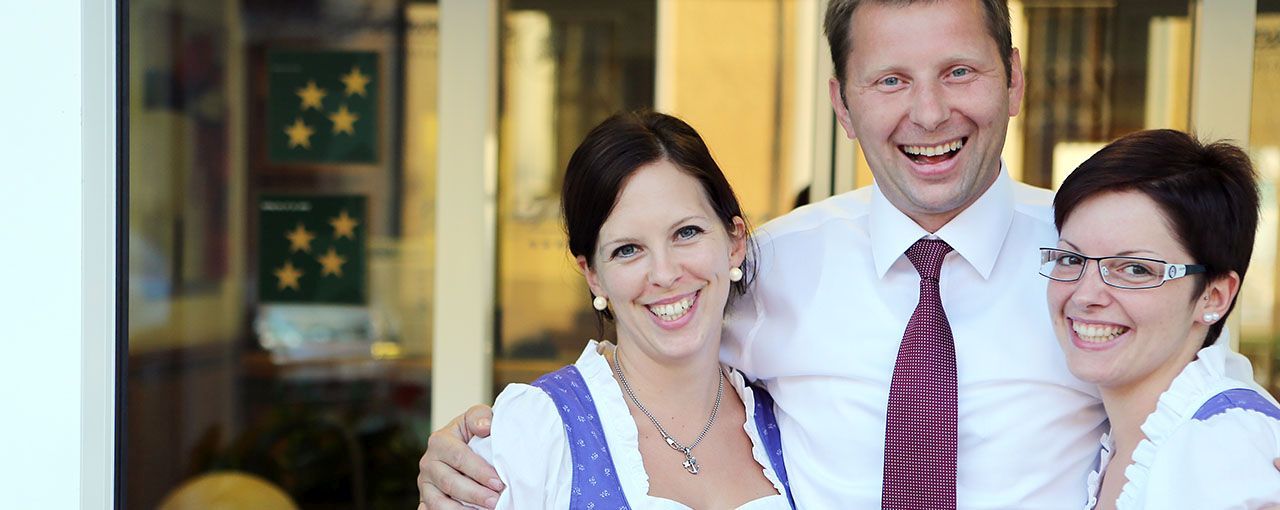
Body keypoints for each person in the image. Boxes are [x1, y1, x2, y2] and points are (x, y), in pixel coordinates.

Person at [415, 1, 1259, 508]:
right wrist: (493, 443)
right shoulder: (770, 267)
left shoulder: (1087, 272)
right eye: (890, 80)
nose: (929, 113)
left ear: (1014, 79)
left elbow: (1203, 396)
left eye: (959, 72)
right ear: (842, 106)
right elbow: (651, 342)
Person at [464, 110, 795, 509]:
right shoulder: (536, 432)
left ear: (734, 242)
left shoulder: (792, 419)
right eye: (628, 250)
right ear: (593, 276)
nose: (665, 273)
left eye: (686, 232)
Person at [1041, 129, 1280, 509]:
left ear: (1214, 296)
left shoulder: (1224, 450)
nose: (1085, 296)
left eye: (1135, 269)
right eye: (1071, 259)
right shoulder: (1132, 442)